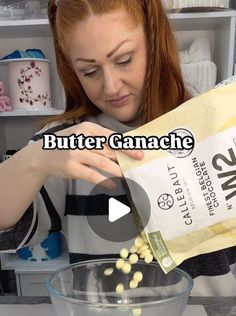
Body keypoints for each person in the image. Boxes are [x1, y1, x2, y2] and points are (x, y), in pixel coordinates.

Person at [0, 0, 235, 296]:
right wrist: (33, 160)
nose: (111, 87)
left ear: (154, 41)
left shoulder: (215, 128)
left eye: (124, 60)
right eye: (89, 71)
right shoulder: (66, 144)